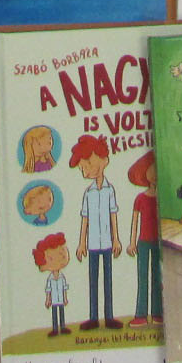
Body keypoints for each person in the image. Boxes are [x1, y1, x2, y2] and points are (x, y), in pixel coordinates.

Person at [70, 134, 120, 331]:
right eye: (83, 168)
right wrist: (81, 243)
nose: (86, 171)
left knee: (108, 280)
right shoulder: (88, 193)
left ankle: (109, 317)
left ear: (104, 160)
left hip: (107, 242)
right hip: (91, 244)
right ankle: (93, 317)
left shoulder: (109, 190)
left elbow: (113, 215)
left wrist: (116, 239)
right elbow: (85, 219)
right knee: (93, 282)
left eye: (88, 164)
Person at [126, 150, 161, 327]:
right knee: (143, 277)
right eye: (151, 170)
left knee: (157, 276)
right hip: (143, 242)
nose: (154, 174)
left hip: (158, 242)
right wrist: (132, 242)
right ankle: (140, 314)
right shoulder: (140, 198)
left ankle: (157, 313)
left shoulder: (161, 198)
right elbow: (135, 221)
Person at [34, 233, 70, 336]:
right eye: (52, 258)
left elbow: (64, 289)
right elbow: (48, 290)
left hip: (61, 299)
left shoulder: (62, 277)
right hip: (54, 300)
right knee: (54, 314)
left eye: (63, 253)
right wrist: (48, 300)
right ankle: (55, 329)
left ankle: (62, 327)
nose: (62, 256)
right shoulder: (50, 279)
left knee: (61, 313)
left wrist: (65, 298)